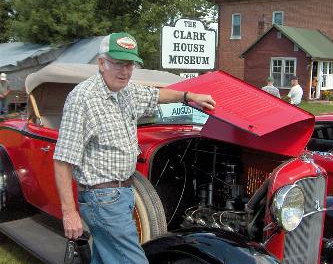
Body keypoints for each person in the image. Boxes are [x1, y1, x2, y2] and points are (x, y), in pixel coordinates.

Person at [53, 32, 216, 264]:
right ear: (101, 63)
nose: (124, 71)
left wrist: (188, 95)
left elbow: (157, 95)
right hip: (102, 197)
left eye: (129, 65)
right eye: (118, 64)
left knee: (105, 257)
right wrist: (69, 213)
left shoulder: (127, 91)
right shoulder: (83, 99)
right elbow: (62, 159)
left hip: (124, 193)